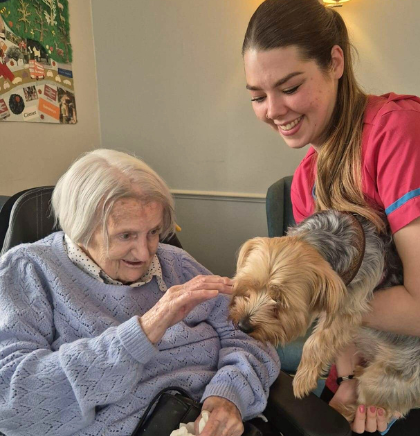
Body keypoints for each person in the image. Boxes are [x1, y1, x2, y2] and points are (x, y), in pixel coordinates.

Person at [242, 0, 420, 436]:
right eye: (257, 96)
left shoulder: (402, 135)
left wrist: (324, 306)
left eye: (289, 87)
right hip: (373, 359)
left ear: (336, 63)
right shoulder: (307, 180)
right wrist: (348, 377)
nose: (273, 110)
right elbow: (335, 305)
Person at [0, 149, 280, 436]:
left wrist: (228, 395)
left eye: (154, 232)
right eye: (126, 235)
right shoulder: (29, 270)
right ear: (80, 228)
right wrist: (146, 329)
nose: (146, 253)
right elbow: (13, 402)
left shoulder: (176, 263)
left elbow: (251, 335)